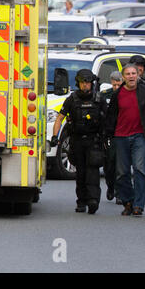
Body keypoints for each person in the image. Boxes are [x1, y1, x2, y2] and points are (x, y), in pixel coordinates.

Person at [105, 64, 145, 216]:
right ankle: (128, 201)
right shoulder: (117, 95)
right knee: (122, 173)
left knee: (139, 170)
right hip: (120, 137)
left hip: (139, 136)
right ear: (123, 77)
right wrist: (108, 136)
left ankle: (138, 205)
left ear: (138, 75)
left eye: (133, 73)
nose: (131, 76)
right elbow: (111, 116)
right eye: (128, 74)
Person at [51, 69, 107, 214]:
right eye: (82, 82)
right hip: (76, 141)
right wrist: (55, 137)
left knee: (93, 171)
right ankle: (81, 201)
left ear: (91, 83)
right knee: (81, 172)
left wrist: (109, 137)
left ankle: (93, 200)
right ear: (78, 83)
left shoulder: (99, 99)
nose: (85, 85)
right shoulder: (72, 99)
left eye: (87, 82)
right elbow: (59, 118)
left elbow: (108, 120)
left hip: (94, 141)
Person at [101, 71, 123, 205]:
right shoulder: (105, 95)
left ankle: (120, 192)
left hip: (121, 133)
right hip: (108, 133)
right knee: (109, 165)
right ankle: (110, 186)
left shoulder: (126, 94)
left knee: (121, 165)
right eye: (114, 85)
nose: (116, 87)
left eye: (118, 84)